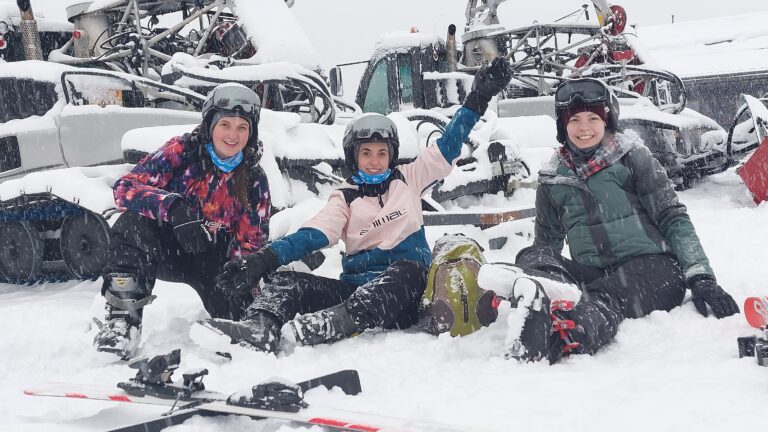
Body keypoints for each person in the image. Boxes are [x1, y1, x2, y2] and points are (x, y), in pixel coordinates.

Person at [197, 57, 513, 353]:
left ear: (391, 155)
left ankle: (326, 325)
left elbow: (448, 144)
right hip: (356, 291)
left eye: (381, 153)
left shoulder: (410, 177)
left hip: (403, 293)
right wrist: (263, 260)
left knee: (409, 270)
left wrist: (476, 100)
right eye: (366, 153)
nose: (375, 162)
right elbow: (314, 233)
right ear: (354, 156)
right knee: (288, 281)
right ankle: (260, 328)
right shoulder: (345, 196)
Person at [509, 77, 740, 363]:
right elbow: (548, 242)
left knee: (610, 294)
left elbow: (673, 217)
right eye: (575, 120)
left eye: (593, 118)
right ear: (562, 126)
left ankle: (576, 328)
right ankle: (534, 307)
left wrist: (701, 277)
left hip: (655, 272)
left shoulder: (633, 159)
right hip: (595, 274)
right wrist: (542, 270)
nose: (584, 128)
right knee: (532, 254)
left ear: (607, 120)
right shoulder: (552, 180)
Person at [93, 83, 271, 359]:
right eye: (225, 124)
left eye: (242, 127)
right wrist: (172, 207)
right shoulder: (182, 152)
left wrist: (247, 285)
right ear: (210, 124)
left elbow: (250, 243)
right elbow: (124, 188)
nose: (233, 135)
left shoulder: (254, 179)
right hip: (166, 249)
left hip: (214, 262)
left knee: (239, 317)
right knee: (131, 223)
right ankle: (122, 321)